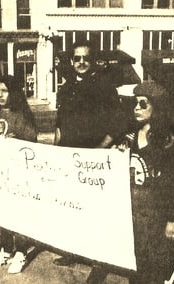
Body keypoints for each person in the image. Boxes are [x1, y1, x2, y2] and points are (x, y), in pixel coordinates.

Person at [87, 82, 174, 284]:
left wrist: (170, 218)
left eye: (144, 104)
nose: (136, 108)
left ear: (158, 107)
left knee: (154, 273)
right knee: (134, 272)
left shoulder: (169, 140)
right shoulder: (129, 136)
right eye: (135, 103)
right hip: (132, 217)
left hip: (156, 219)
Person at [52, 40, 128, 268]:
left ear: (93, 61)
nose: (81, 62)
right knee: (71, 205)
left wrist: (100, 149)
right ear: (72, 61)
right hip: (69, 156)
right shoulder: (65, 89)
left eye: (86, 58)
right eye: (77, 58)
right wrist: (56, 151)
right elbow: (60, 124)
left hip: (95, 158)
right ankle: (72, 252)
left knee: (95, 209)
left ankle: (98, 256)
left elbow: (118, 122)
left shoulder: (105, 86)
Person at [0, 75, 37, 274]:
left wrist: (17, 142)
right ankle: (5, 250)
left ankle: (21, 252)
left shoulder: (22, 115)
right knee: (0, 213)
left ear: (14, 92)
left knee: (18, 214)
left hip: (18, 175)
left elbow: (32, 142)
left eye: (5, 90)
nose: (0, 95)